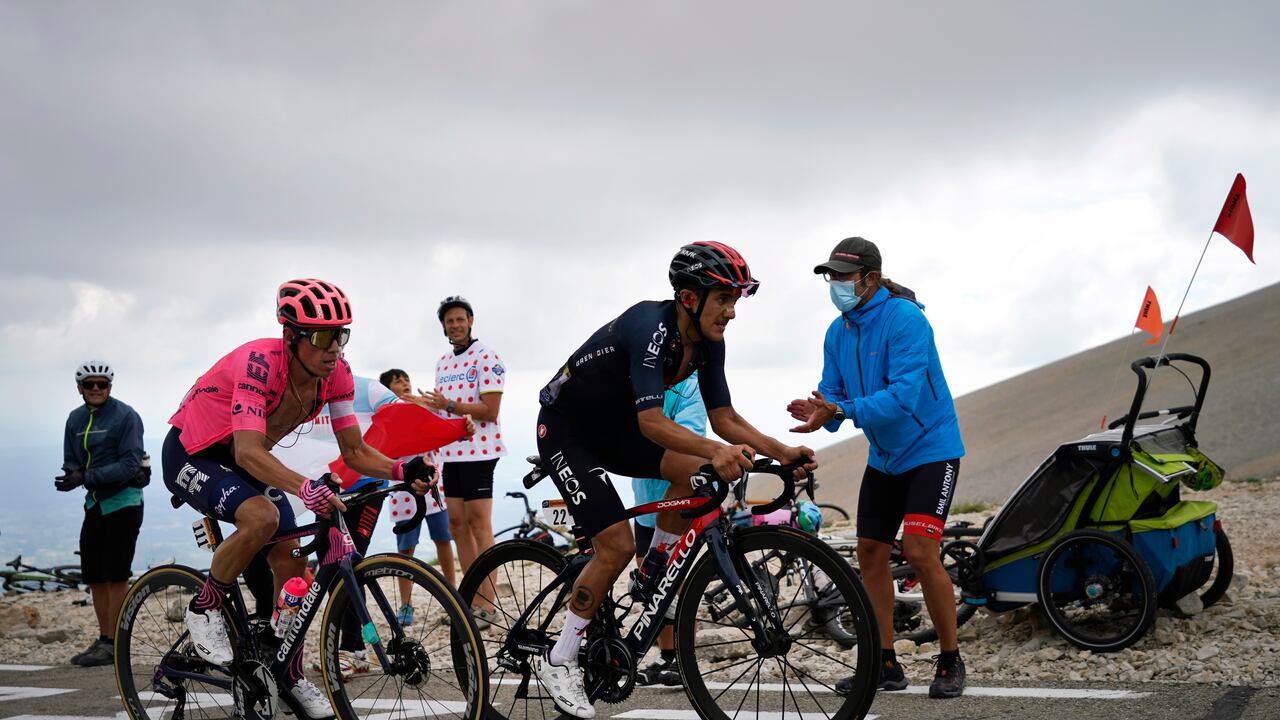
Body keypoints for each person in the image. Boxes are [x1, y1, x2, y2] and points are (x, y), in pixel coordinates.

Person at [533, 242, 817, 718]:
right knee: (616, 545)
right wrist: (716, 450)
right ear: (689, 298)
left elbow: (722, 417)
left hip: (617, 430)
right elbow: (652, 424)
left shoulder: (709, 344)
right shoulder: (649, 326)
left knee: (701, 475)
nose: (731, 312)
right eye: (724, 299)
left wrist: (782, 451)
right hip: (568, 431)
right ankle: (560, 657)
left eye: (735, 300)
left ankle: (655, 566)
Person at [163, 279, 436, 719]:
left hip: (243, 457)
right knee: (262, 518)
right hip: (194, 452)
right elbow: (247, 450)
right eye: (324, 337)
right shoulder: (259, 363)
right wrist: (304, 487)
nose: (335, 348)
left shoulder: (337, 375)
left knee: (291, 557)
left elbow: (355, 451)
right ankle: (205, 606)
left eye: (341, 335)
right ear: (291, 336)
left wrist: (403, 469)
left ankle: (285, 670)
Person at [787, 237, 967, 699]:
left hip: (931, 448)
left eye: (842, 276)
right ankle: (884, 662)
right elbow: (833, 394)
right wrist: (818, 410)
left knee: (921, 551)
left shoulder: (907, 321)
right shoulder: (837, 331)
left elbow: (903, 398)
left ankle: (950, 659)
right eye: (831, 276)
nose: (835, 284)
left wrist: (840, 411)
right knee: (869, 553)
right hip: (884, 457)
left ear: (869, 278)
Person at [417, 296, 506, 627]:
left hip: (481, 451)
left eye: (460, 319)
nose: (455, 325)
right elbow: (442, 408)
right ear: (443, 326)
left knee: (479, 524)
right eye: (449, 321)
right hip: (450, 453)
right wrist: (425, 406)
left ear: (470, 320)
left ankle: (488, 604)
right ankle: (469, 598)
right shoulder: (442, 362)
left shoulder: (487, 357)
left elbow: (490, 410)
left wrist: (449, 405)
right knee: (456, 524)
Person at [55, 360, 146, 668]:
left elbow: (130, 464)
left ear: (110, 387)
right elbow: (72, 459)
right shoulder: (75, 419)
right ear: (79, 388)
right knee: (94, 574)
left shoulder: (125, 416)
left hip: (124, 502)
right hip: (95, 504)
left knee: (116, 573)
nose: (96, 389)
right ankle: (104, 638)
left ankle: (116, 642)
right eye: (90, 384)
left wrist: (87, 478)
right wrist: (71, 476)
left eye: (102, 384)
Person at [631, 372, 705, 686]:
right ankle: (665, 657)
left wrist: (653, 429)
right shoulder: (639, 379)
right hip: (646, 504)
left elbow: (691, 433)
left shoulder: (692, 384)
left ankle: (684, 658)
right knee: (653, 587)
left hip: (678, 503)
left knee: (680, 582)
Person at [378, 368, 457, 626]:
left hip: (433, 482)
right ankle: (405, 603)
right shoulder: (384, 414)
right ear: (386, 390)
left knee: (443, 539)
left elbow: (443, 424)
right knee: (405, 549)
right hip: (402, 489)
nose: (404, 384)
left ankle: (452, 594)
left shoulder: (424, 407)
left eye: (406, 379)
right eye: (396, 382)